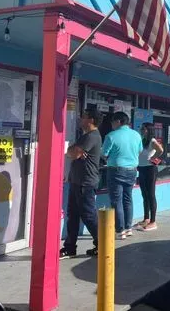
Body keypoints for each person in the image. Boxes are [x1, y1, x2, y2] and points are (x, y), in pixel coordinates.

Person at [60, 109, 103, 259]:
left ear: (90, 120)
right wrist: (74, 150)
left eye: (83, 117)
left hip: (86, 183)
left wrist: (73, 150)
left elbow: (73, 153)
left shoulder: (91, 136)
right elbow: (74, 152)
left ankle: (103, 245)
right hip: (77, 182)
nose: (80, 119)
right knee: (72, 215)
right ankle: (70, 247)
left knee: (88, 215)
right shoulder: (85, 137)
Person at [102, 112, 143, 240]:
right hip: (132, 170)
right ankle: (128, 228)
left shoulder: (111, 136)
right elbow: (140, 150)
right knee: (127, 199)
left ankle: (120, 230)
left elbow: (104, 153)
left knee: (116, 201)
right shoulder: (136, 135)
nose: (112, 124)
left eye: (113, 122)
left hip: (116, 170)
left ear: (119, 121)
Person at [135, 123, 164, 232]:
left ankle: (153, 221)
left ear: (149, 130)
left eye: (144, 129)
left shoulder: (152, 140)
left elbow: (161, 150)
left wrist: (153, 158)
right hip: (141, 169)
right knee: (144, 194)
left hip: (150, 169)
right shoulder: (142, 140)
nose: (141, 130)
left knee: (151, 195)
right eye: (141, 128)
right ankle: (146, 218)